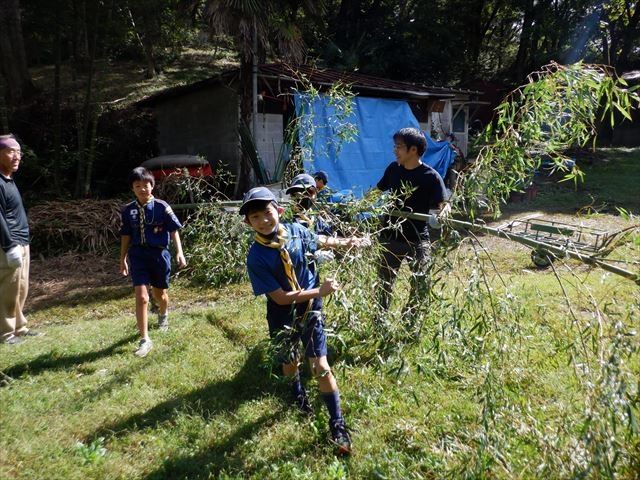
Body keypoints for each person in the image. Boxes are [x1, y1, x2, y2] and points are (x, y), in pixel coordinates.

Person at [241, 186, 367, 455]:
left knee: (320, 365)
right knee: (290, 360)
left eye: (267, 212)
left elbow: (319, 240)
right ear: (247, 222)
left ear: (279, 210)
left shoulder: (296, 232)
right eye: (255, 217)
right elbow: (281, 298)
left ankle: (338, 424)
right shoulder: (256, 257)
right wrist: (320, 290)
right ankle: (296, 392)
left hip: (310, 308)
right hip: (283, 312)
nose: (263, 221)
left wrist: (348, 242)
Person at [376, 127, 450, 318]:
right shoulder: (393, 170)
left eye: (399, 147)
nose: (395, 150)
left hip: (417, 238)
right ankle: (379, 321)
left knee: (421, 282)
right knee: (383, 283)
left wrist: (443, 213)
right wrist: (358, 205)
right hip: (390, 237)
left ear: (413, 150)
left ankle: (409, 320)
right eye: (395, 146)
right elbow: (376, 191)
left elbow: (443, 204)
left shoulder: (430, 177)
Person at [119, 167, 187, 357]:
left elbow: (174, 230)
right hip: (138, 256)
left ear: (152, 186)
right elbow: (125, 235)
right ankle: (144, 339)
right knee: (142, 297)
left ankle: (163, 314)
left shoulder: (161, 206)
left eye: (146, 185)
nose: (142, 189)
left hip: (159, 255)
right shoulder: (128, 210)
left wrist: (179, 252)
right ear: (132, 188)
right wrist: (122, 258)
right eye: (137, 186)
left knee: (160, 294)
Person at [0, 134, 40, 345]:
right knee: (8, 288)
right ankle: (5, 332)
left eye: (19, 152)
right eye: (11, 151)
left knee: (21, 287)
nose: (17, 156)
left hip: (22, 241)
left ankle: (19, 326)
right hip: (8, 244)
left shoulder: (9, 180)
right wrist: (8, 246)